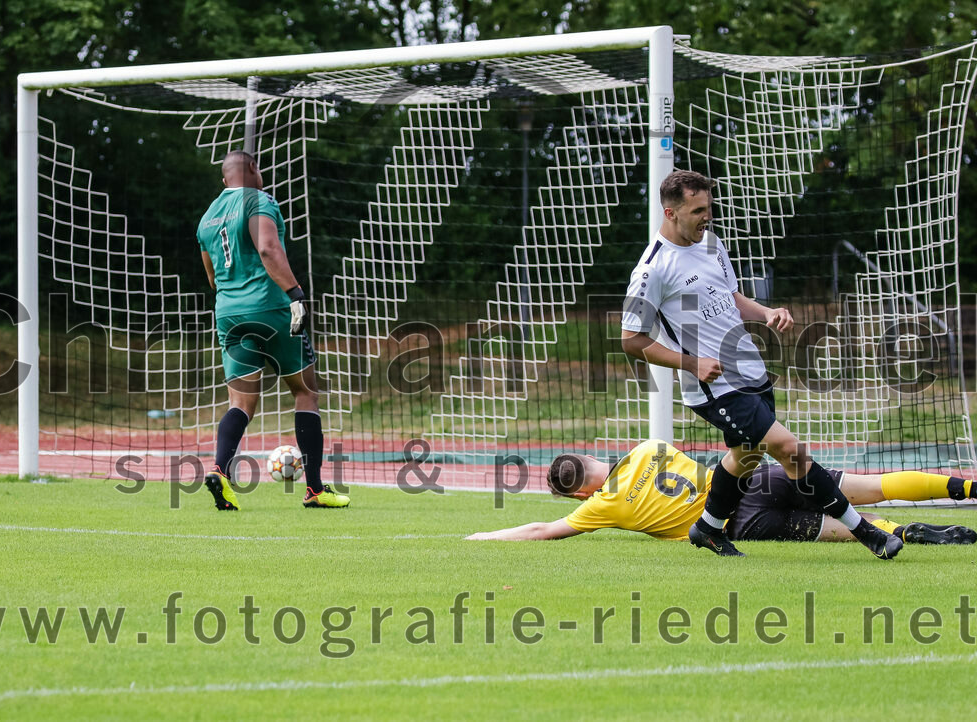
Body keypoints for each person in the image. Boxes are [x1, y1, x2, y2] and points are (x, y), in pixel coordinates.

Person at [619, 169, 899, 558]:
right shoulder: (651, 271)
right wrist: (691, 363)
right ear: (671, 212)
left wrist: (766, 312)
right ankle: (869, 534)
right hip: (714, 387)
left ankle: (708, 527)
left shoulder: (712, 244)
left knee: (745, 456)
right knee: (789, 449)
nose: (707, 216)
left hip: (750, 371)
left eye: (709, 207)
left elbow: (730, 296)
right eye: (698, 209)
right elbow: (631, 340)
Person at [196, 150, 349, 510]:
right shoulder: (260, 200)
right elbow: (267, 247)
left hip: (229, 314)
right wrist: (295, 293)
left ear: (224, 181)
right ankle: (315, 490)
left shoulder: (206, 217)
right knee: (305, 391)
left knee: (241, 404)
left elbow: (212, 276)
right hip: (269, 308)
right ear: (253, 168)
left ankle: (219, 470)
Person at [466, 440, 977, 544]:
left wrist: (483, 537)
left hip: (739, 522)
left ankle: (911, 534)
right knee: (869, 486)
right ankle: (963, 486)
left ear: (578, 496)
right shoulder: (650, 445)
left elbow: (541, 530)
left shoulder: (604, 508)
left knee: (836, 532)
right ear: (591, 455)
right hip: (753, 479)